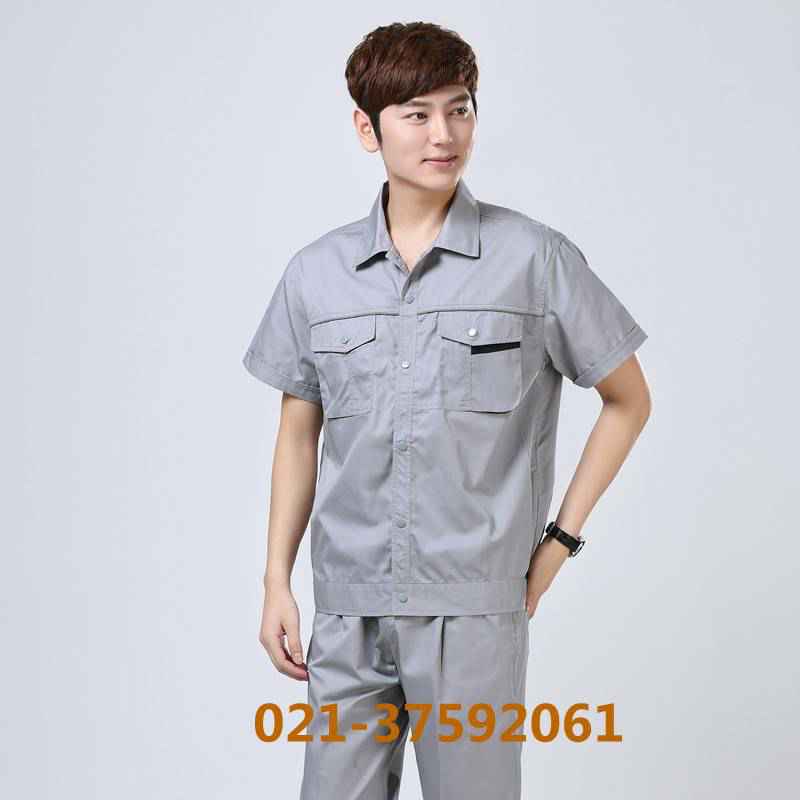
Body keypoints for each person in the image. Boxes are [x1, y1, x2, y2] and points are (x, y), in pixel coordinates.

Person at [243, 20, 651, 800]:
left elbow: (628, 400)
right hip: (348, 612)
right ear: (367, 128)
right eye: (418, 114)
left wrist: (560, 541)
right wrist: (276, 581)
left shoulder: (534, 259)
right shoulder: (316, 275)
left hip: (473, 616)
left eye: (459, 110)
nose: (444, 134)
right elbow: (298, 434)